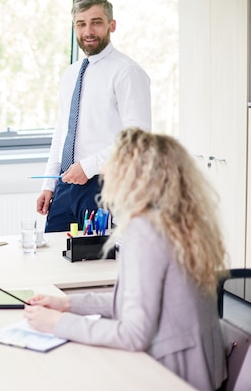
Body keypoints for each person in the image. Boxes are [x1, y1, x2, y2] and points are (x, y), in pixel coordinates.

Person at [25, 128, 228, 391]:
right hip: (201, 364)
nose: (104, 170)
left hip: (173, 375)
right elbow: (137, 300)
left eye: (112, 162)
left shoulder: (146, 231)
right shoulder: (179, 222)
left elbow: (133, 335)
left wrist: (58, 324)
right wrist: (67, 303)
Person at [37, 0, 151, 232]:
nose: (88, 30)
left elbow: (137, 141)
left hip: (104, 185)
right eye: (81, 23)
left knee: (96, 263)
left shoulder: (127, 72)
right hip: (65, 184)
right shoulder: (71, 73)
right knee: (54, 258)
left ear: (112, 25)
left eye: (96, 22)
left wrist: (88, 167)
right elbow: (62, 132)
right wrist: (50, 183)